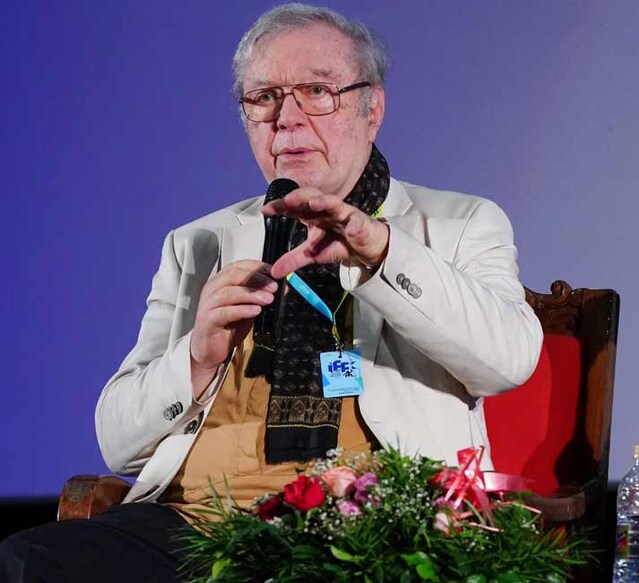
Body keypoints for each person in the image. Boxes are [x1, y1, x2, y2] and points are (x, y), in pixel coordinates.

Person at [0, 4, 541, 581]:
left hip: (365, 526)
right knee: (29, 561)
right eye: (263, 98)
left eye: (316, 91)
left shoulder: (457, 224)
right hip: (197, 523)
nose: (287, 118)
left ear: (372, 108)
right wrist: (198, 357)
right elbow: (117, 442)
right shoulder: (198, 242)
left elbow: (508, 361)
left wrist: (380, 250)